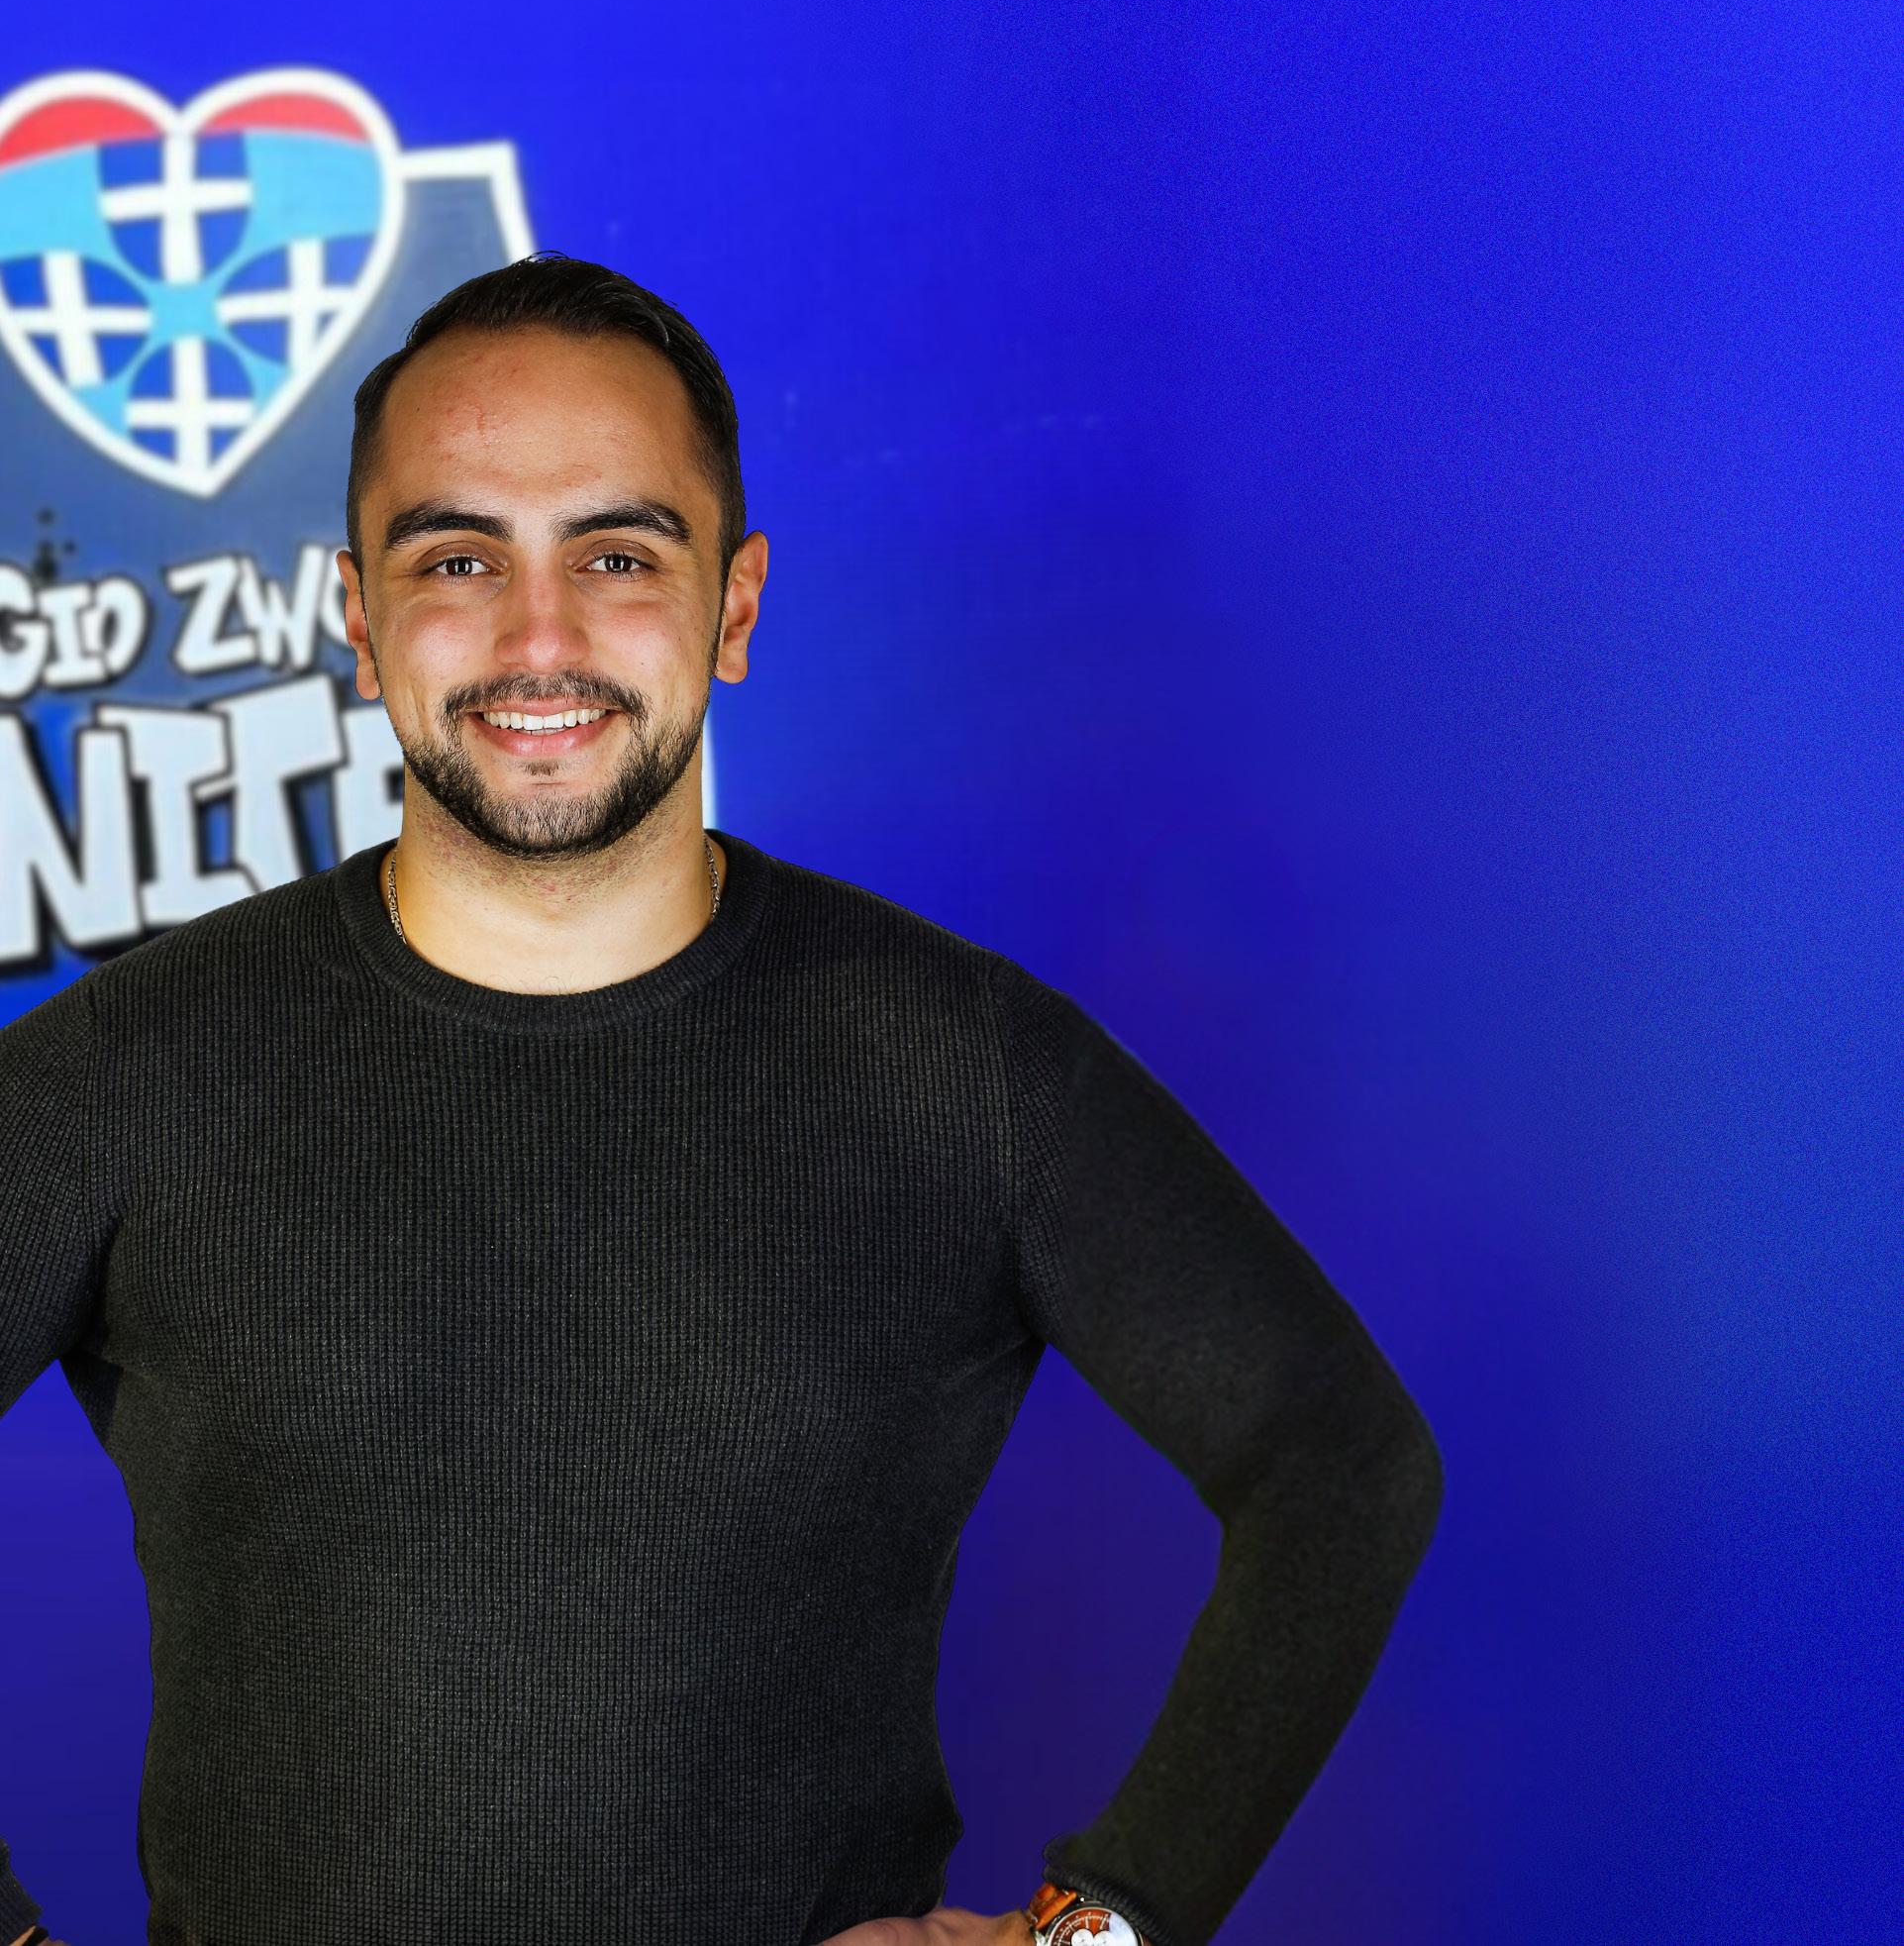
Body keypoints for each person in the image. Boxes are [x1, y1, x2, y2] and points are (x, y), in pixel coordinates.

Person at [0, 256, 1444, 1946]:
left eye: (619, 555)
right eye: (458, 558)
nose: (539, 638)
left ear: (735, 607)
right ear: (359, 616)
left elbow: (1341, 1463)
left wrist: (1099, 1931)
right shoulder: (126, 1069)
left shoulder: (962, 1066)